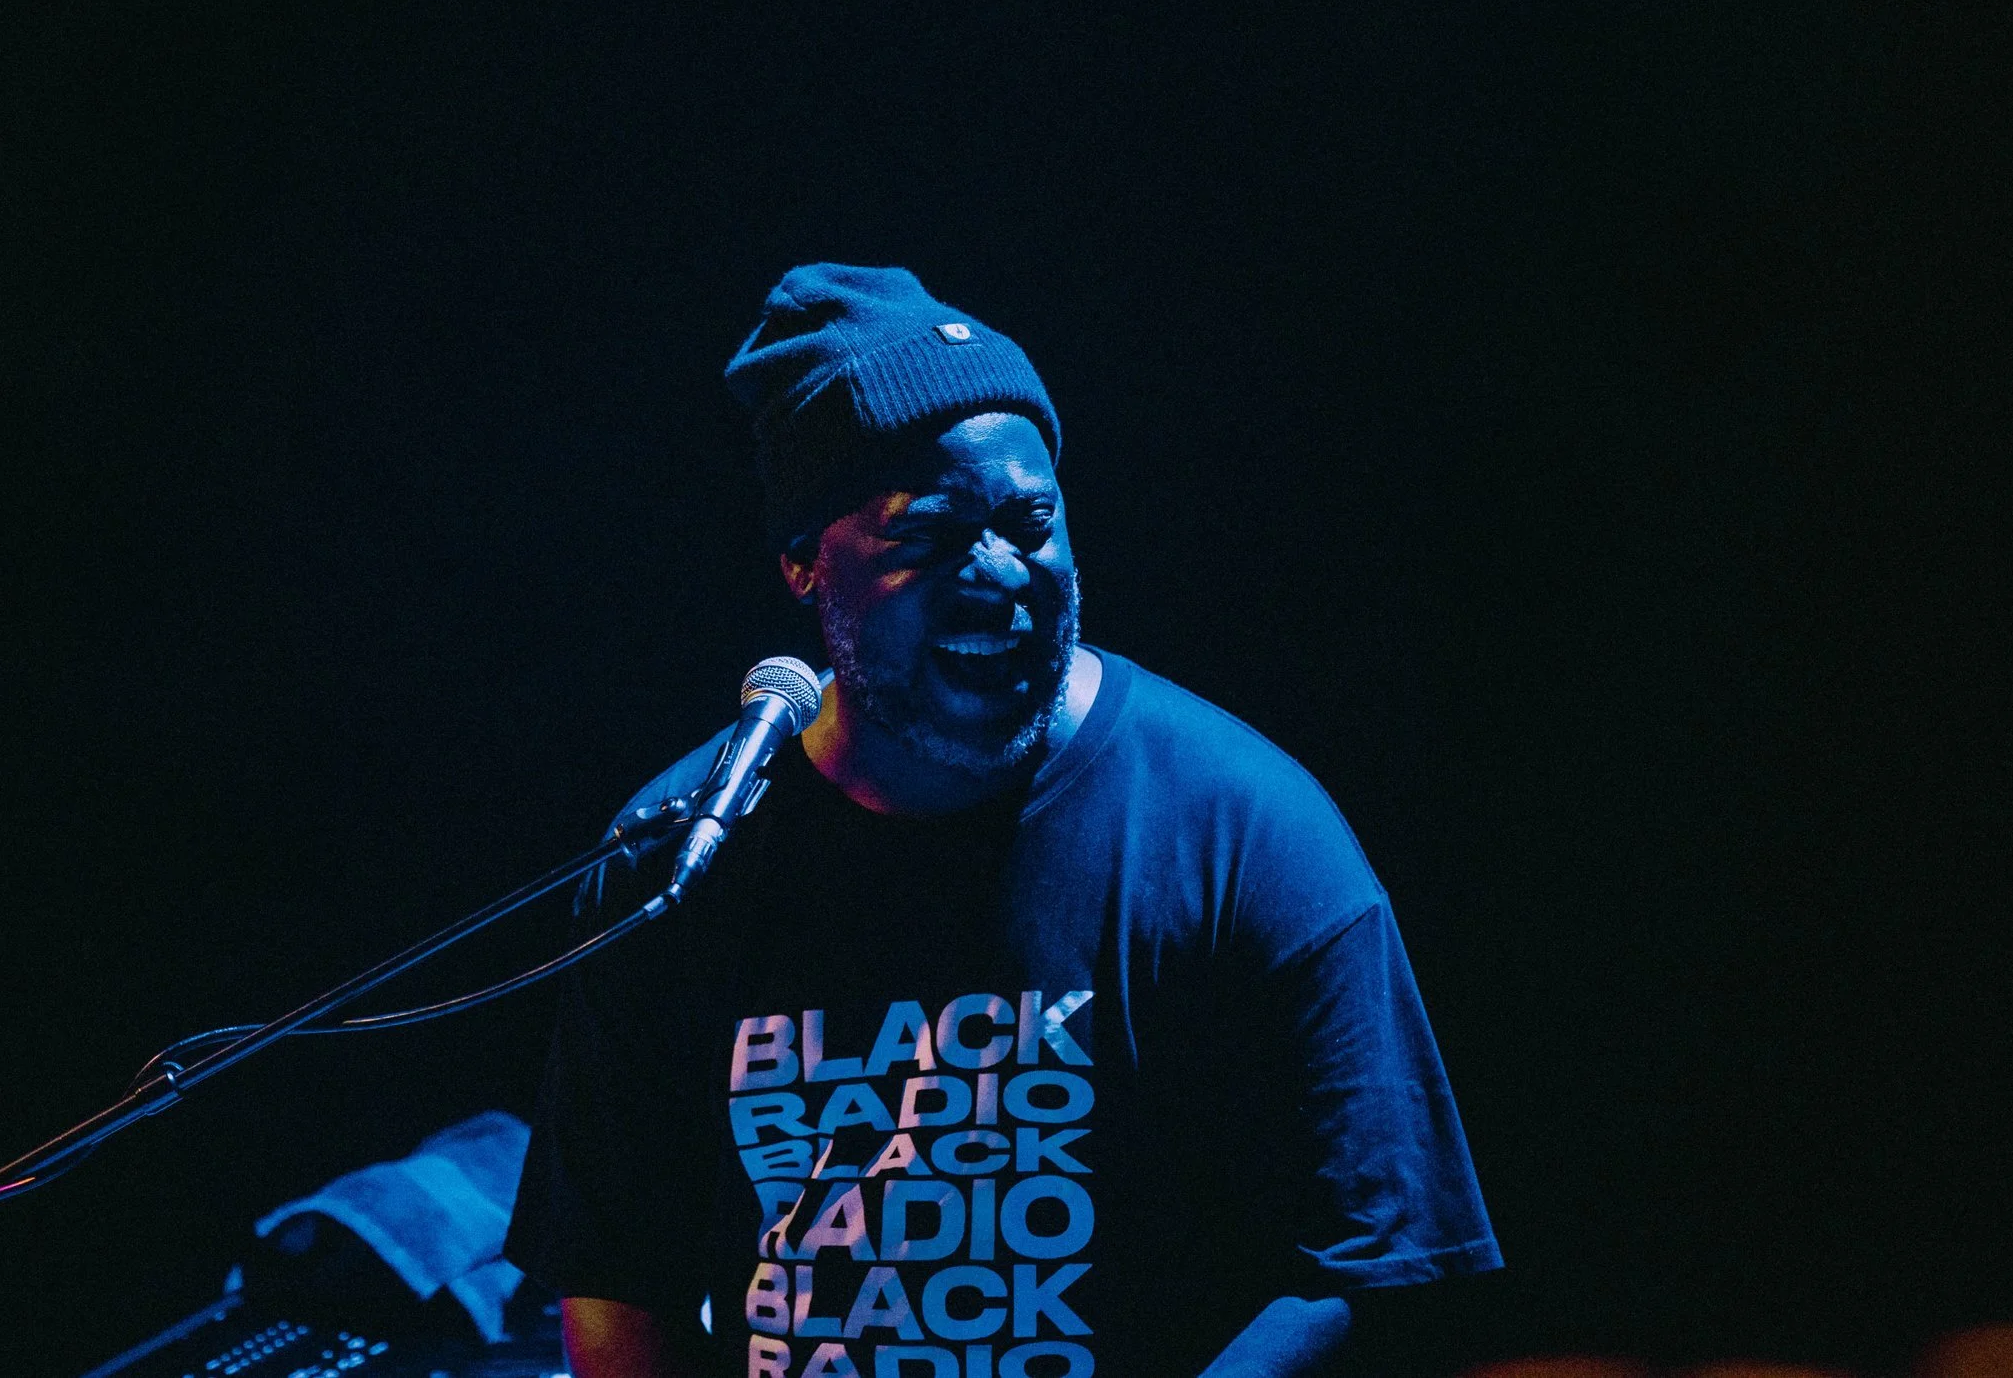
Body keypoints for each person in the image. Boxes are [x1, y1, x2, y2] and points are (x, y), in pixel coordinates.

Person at [506, 265, 1499, 1378]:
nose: (999, 573)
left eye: (1029, 521)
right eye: (928, 536)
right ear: (803, 563)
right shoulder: (682, 858)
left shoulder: (1244, 831)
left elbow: (1369, 1264)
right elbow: (617, 1278)